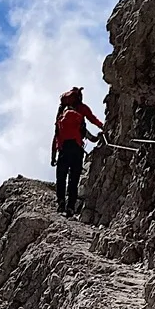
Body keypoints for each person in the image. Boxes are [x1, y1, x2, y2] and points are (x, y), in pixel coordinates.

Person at [51, 87, 104, 216]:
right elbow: (92, 119)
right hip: (77, 148)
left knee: (61, 178)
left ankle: (61, 202)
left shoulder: (61, 113)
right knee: (73, 179)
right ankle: (71, 207)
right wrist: (102, 127)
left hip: (63, 150)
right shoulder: (82, 109)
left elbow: (56, 135)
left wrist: (53, 156)